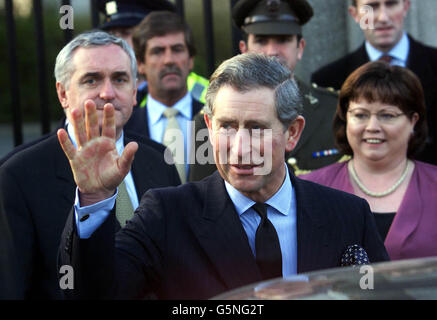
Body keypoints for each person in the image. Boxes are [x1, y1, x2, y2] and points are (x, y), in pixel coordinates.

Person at [58, 53, 389, 300]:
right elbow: (98, 293)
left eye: (257, 128)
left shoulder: (347, 215)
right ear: (209, 127)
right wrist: (96, 200)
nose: (241, 149)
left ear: (292, 133)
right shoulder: (167, 215)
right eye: (227, 127)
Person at [0, 31, 180, 299]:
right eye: (91, 79)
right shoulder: (17, 175)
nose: (107, 93)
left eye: (119, 79)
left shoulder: (157, 157)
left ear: (133, 92)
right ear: (63, 93)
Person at [189, 0, 341, 181]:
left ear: (300, 48)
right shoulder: (214, 120)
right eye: (261, 41)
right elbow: (203, 198)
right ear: (243, 49)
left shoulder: (335, 111)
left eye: (283, 40)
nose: (272, 51)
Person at [302, 61, 437, 260]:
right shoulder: (308, 190)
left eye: (387, 115)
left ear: (413, 121)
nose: (372, 126)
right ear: (345, 118)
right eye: (360, 115)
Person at [311, 0, 437, 165]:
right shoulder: (328, 79)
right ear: (355, 15)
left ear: (406, 6)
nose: (383, 17)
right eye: (372, 7)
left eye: (391, 4)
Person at [124, 11, 204, 183]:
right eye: (158, 51)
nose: (169, 60)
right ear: (140, 64)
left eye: (177, 49)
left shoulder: (216, 121)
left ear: (190, 60)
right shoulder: (125, 128)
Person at [99, 0, 209, 104]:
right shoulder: (105, 91)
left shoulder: (204, 93)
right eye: (112, 35)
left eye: (125, 33)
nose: (116, 42)